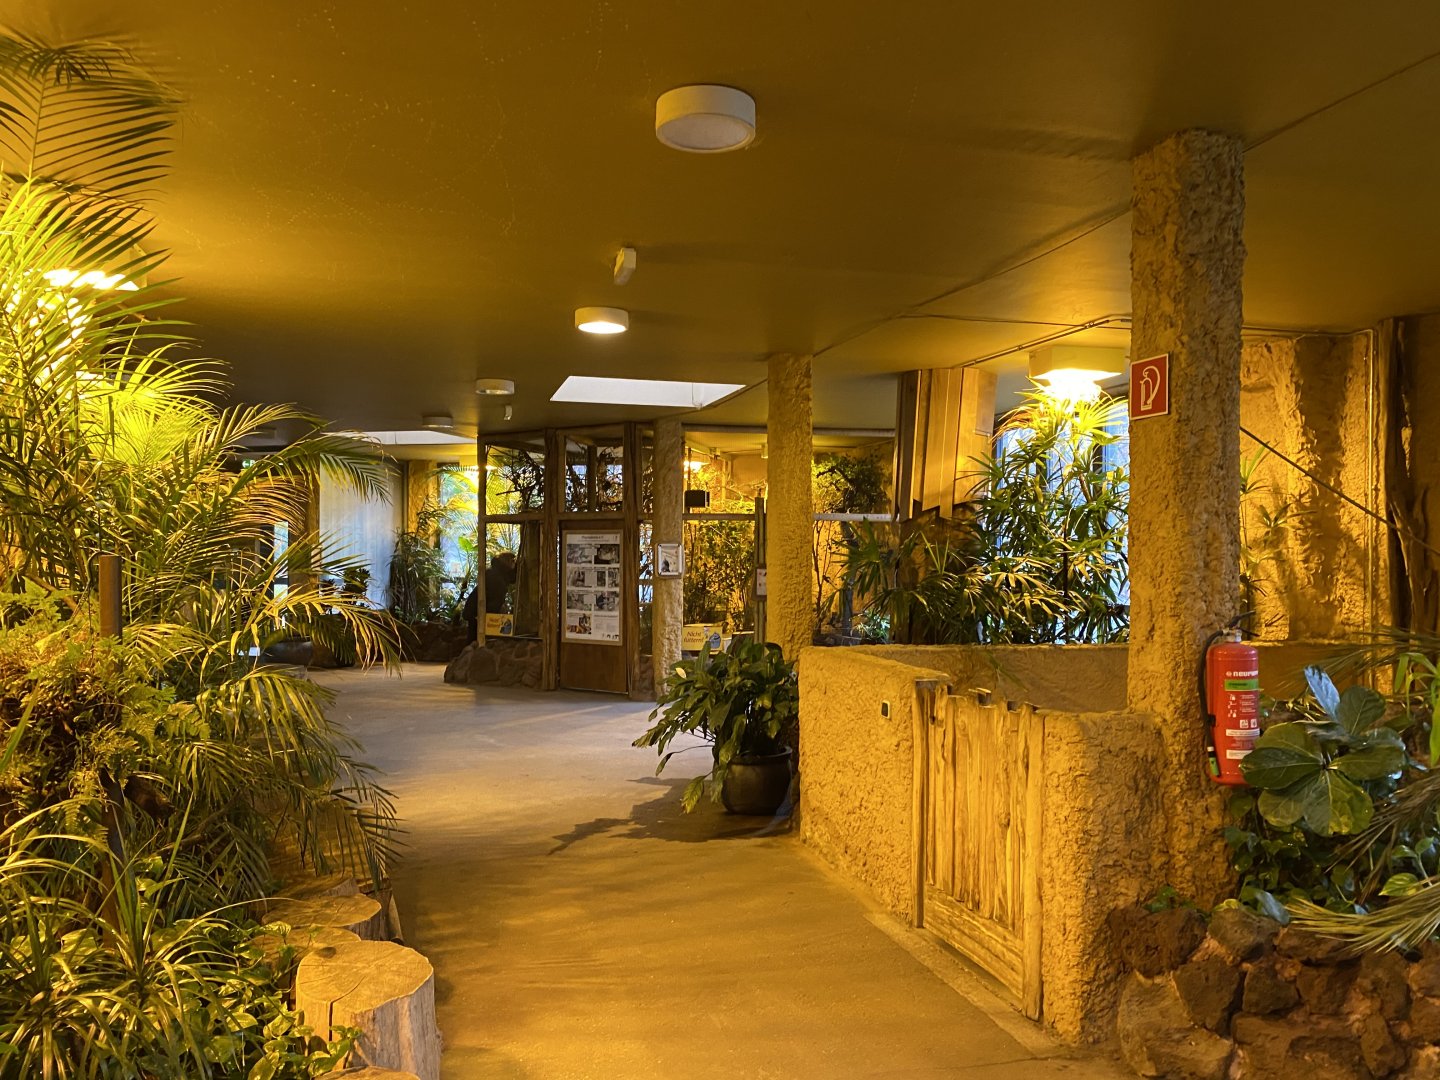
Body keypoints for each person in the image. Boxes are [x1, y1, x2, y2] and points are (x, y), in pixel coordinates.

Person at [463, 551, 518, 642]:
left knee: (474, 638)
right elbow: (494, 600)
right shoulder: (497, 578)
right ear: (508, 562)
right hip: (478, 612)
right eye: (513, 561)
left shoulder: (496, 573)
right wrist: (493, 617)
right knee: (477, 639)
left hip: (475, 610)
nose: (514, 564)